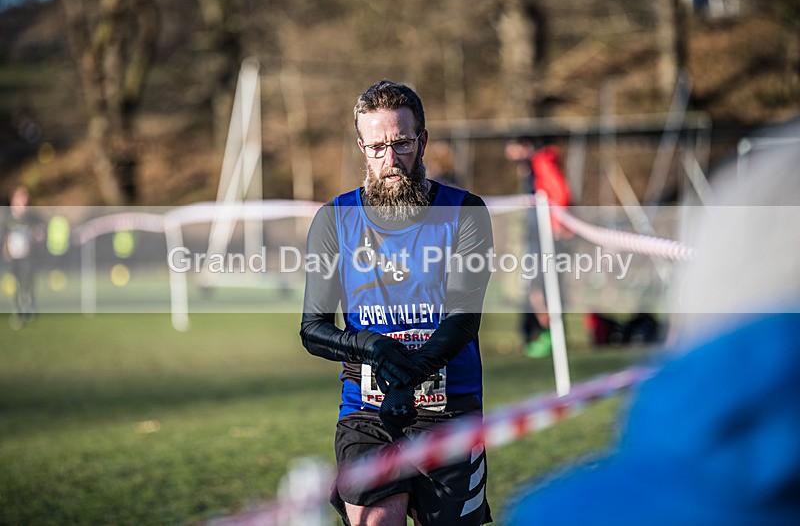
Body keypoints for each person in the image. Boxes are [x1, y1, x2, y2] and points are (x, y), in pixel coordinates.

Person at [507, 136, 800, 525]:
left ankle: (542, 340)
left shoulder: (553, 512)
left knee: (543, 295)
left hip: (554, 243)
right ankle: (542, 339)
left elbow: (559, 195)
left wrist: (558, 225)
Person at [300, 80, 493, 526]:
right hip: (367, 411)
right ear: (361, 147)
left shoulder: (466, 212)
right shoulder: (334, 220)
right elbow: (313, 327)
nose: (390, 161)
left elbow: (464, 317)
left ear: (422, 141)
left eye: (402, 144)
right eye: (377, 147)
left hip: (450, 410)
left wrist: (412, 372)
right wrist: (375, 349)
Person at [504, 137, 571, 357]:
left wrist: (558, 224)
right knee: (536, 288)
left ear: (524, 146)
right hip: (537, 235)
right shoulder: (531, 166)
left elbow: (560, 193)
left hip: (547, 236)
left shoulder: (542, 161)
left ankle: (551, 335)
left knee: (540, 288)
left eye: (512, 149)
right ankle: (549, 334)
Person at [1, 185, 44, 328]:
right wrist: (6, 253)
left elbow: (40, 233)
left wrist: (38, 236)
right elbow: (4, 237)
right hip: (11, 258)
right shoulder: (7, 217)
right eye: (21, 197)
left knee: (27, 283)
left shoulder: (32, 217)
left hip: (27, 258)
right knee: (13, 285)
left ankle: (28, 307)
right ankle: (17, 311)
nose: (24, 200)